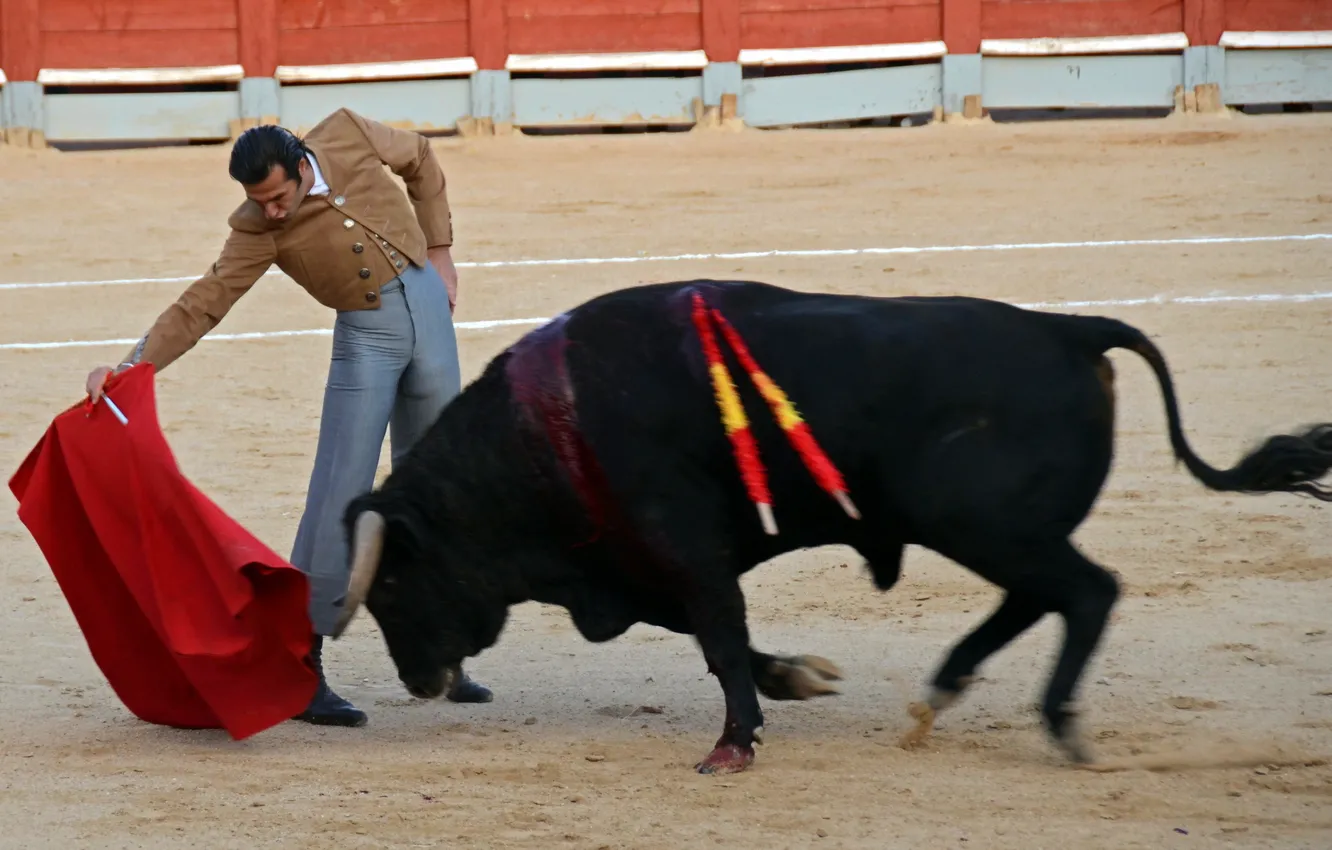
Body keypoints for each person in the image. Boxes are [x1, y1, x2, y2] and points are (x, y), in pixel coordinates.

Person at [84, 108, 494, 727]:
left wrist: (439, 248)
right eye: (260, 201)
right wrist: (129, 367)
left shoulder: (349, 133)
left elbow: (420, 158)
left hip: (431, 316)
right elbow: (203, 302)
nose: (273, 210)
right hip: (367, 341)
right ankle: (304, 664)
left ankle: (440, 649)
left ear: (303, 166)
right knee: (339, 490)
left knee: (437, 486)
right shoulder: (257, 229)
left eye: (278, 197)